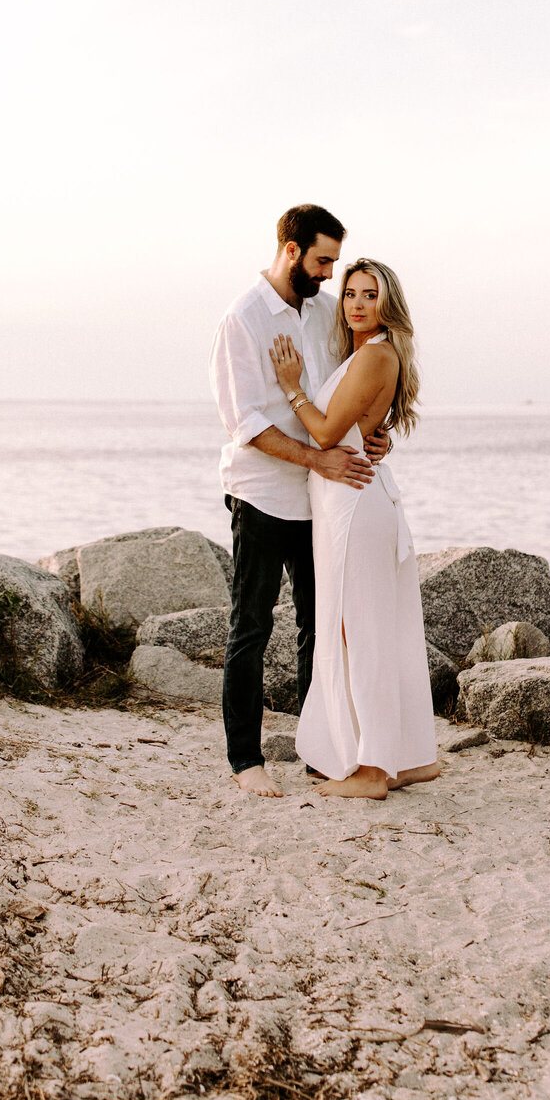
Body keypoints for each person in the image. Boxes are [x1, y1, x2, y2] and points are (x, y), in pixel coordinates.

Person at [209, 205, 390, 798]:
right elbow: (247, 423)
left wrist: (370, 432)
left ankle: (319, 753)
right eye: (322, 261)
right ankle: (246, 761)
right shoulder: (242, 319)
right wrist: (318, 458)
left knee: (320, 626)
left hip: (319, 496)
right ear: (291, 251)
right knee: (251, 627)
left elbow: (339, 393)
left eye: (334, 262)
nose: (331, 275)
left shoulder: (318, 312)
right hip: (261, 494)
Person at [269, 258, 439, 800]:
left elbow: (322, 435)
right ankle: (407, 758)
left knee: (356, 631)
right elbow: (356, 426)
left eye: (370, 294)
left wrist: (293, 388)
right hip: (354, 501)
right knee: (376, 629)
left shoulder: (375, 354)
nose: (358, 304)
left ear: (388, 304)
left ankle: (370, 772)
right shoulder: (369, 354)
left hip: (354, 507)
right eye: (351, 294)